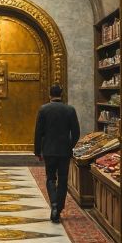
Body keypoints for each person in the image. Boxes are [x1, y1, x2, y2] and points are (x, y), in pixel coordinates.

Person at [34, 84, 80, 223]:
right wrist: (70, 146)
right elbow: (76, 133)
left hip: (49, 150)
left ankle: (53, 204)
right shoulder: (70, 110)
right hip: (64, 151)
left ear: (50, 94)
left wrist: (37, 151)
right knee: (63, 179)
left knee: (50, 178)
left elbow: (38, 132)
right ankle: (59, 208)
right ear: (62, 94)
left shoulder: (43, 109)